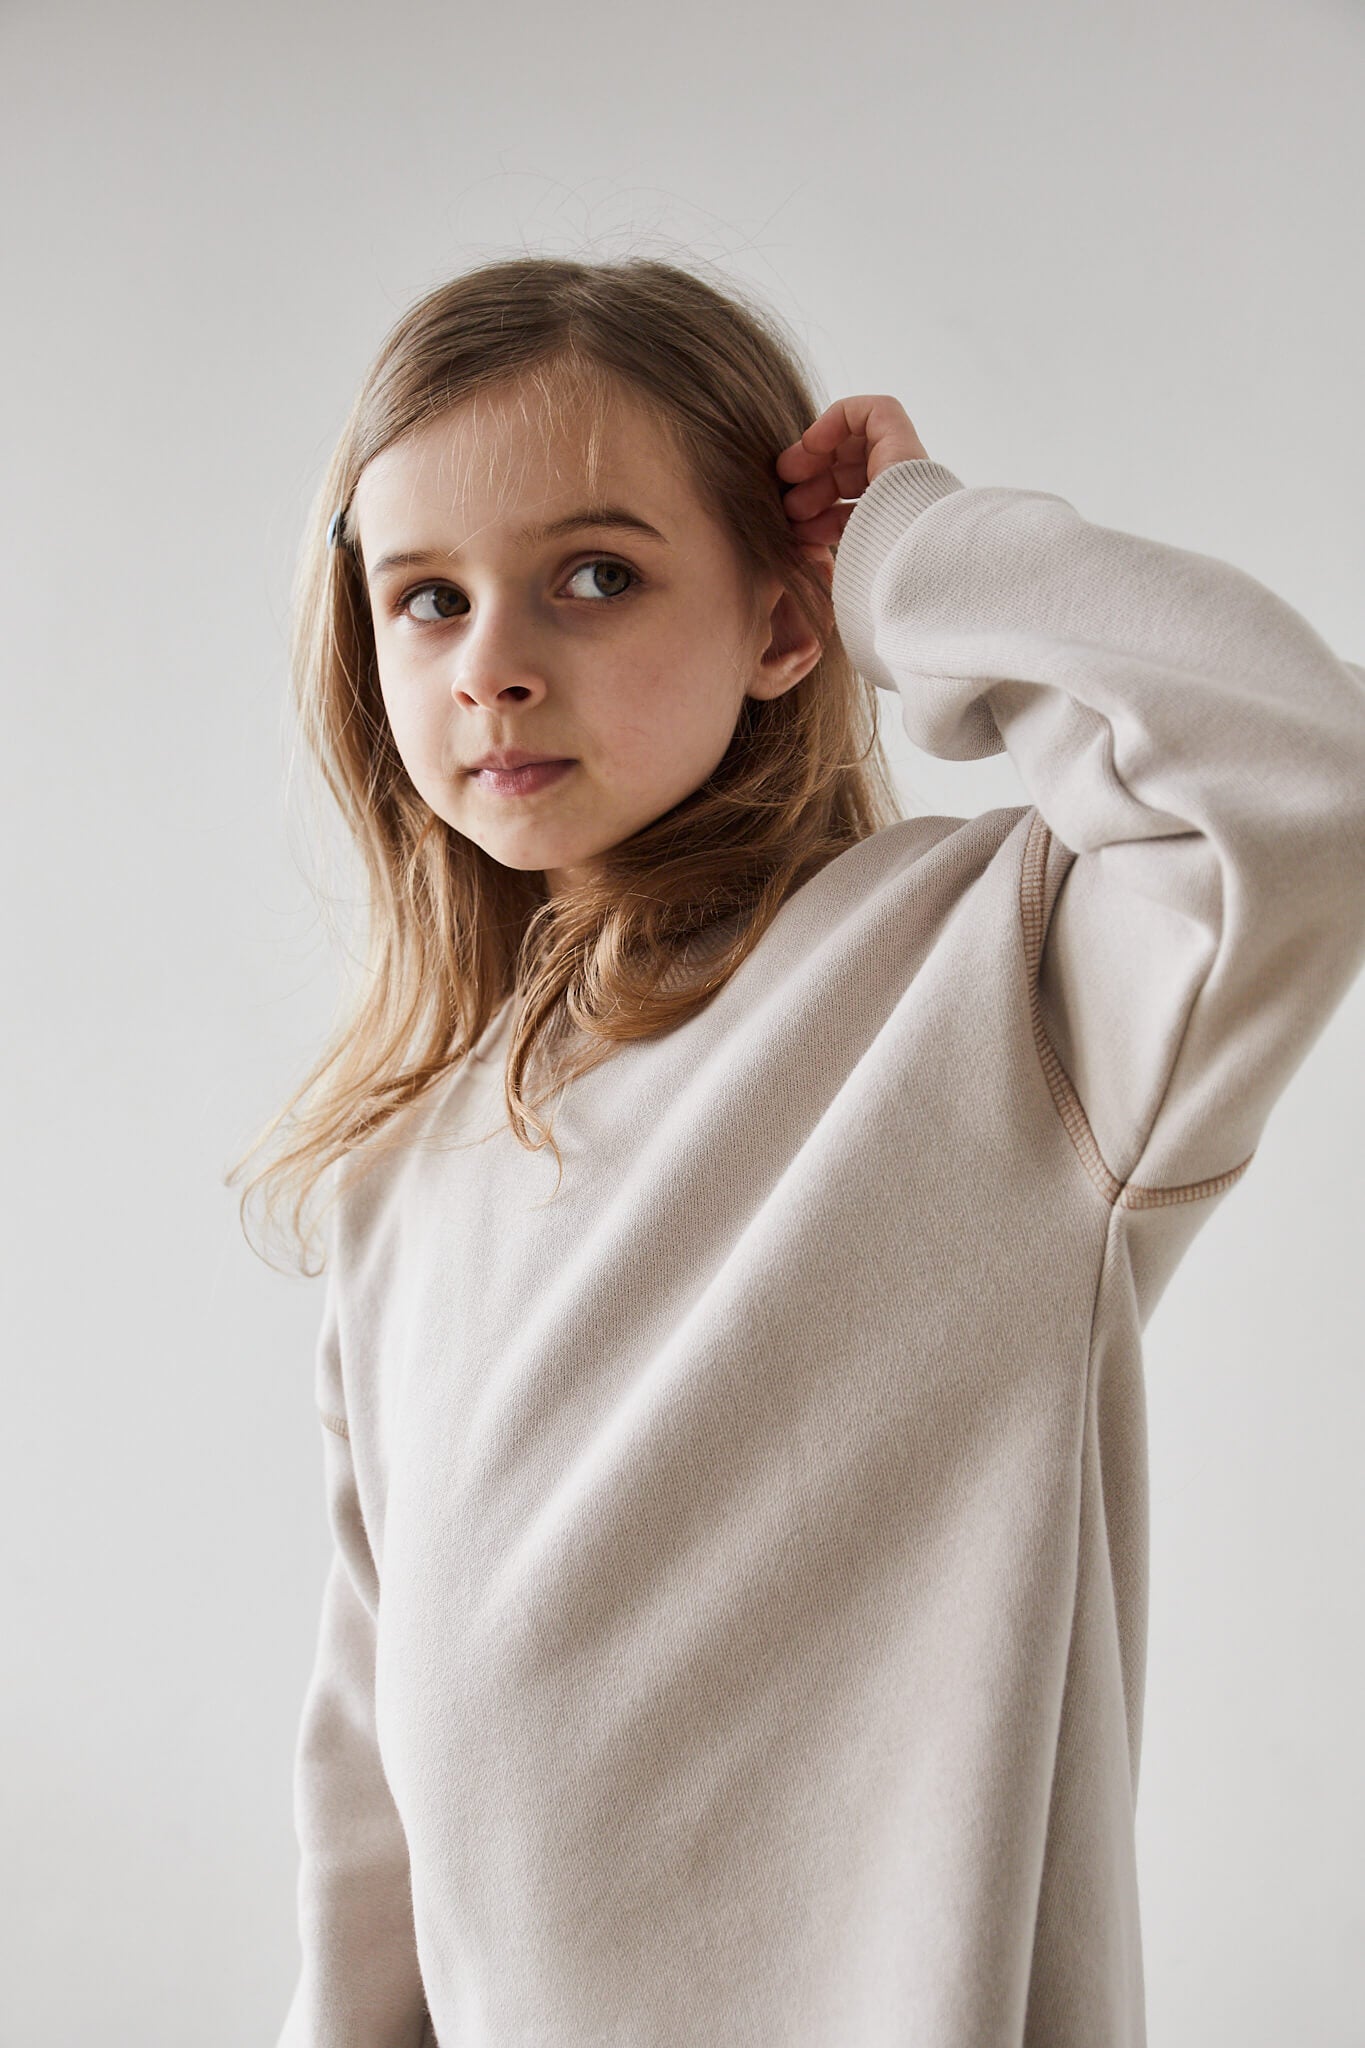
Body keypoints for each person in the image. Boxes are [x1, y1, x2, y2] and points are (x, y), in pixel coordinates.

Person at [232, 255, 1365, 2048]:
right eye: (427, 599)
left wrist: (913, 554)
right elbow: (380, 1770)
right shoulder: (410, 1161)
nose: (495, 668)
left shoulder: (1001, 977)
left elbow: (1303, 778)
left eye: (593, 576)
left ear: (783, 621)